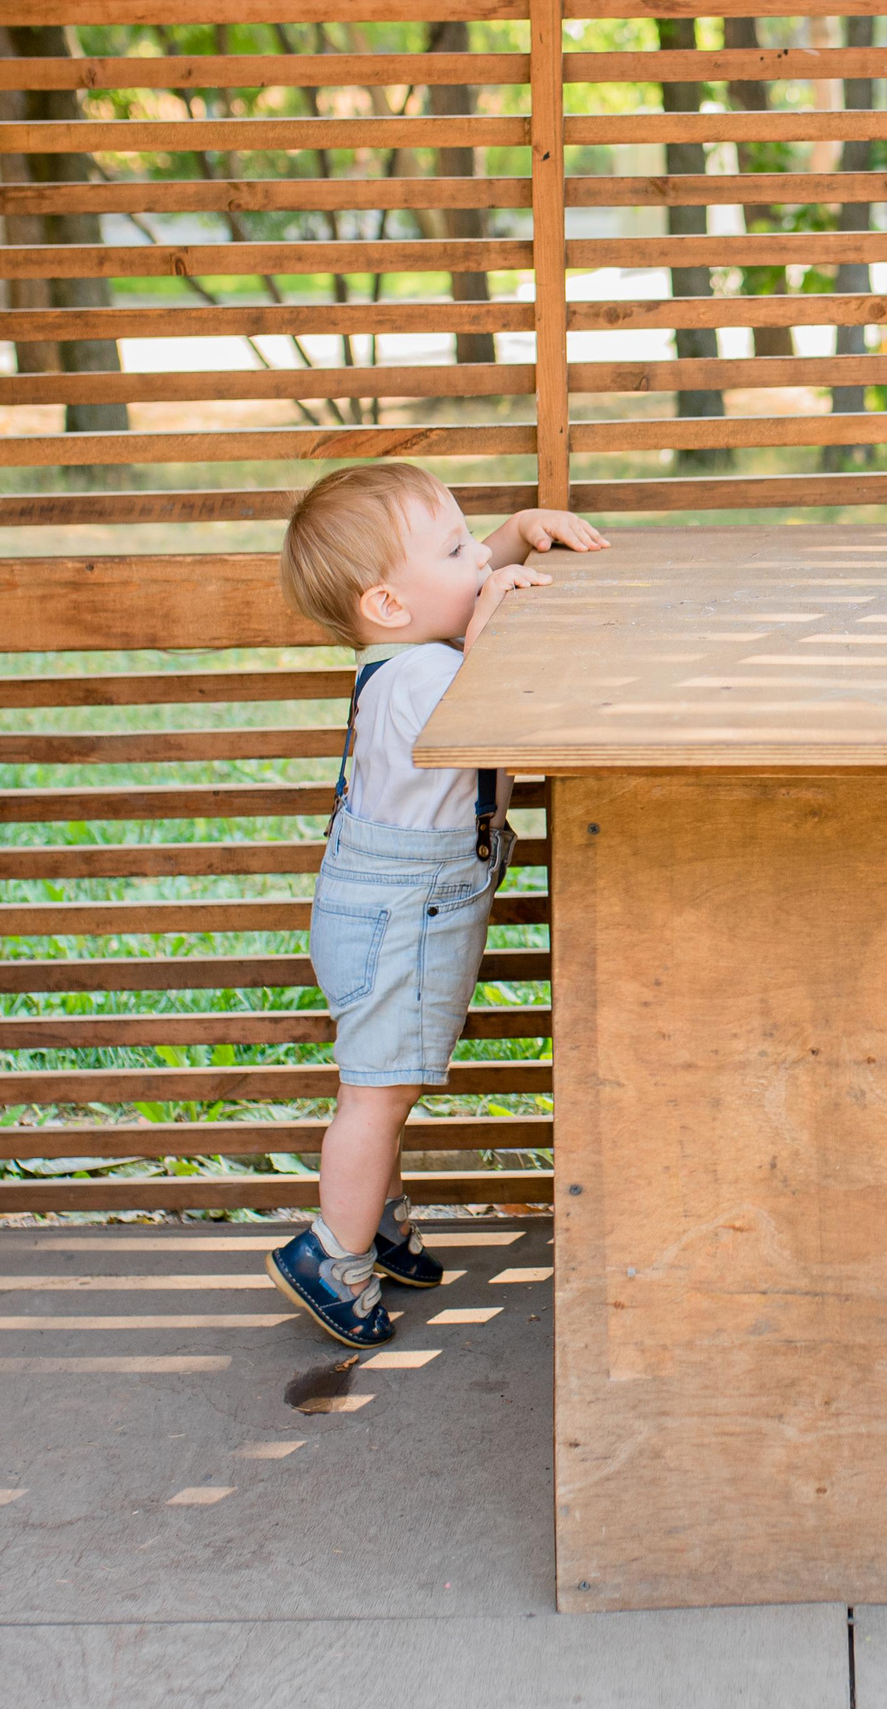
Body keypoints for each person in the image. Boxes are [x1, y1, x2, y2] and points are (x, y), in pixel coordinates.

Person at [266, 462, 609, 1347]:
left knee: (393, 1084)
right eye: (457, 548)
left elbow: (456, 601)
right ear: (387, 603)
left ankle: (371, 1218)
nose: (478, 558)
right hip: (395, 924)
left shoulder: (409, 648)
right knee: (373, 1095)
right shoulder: (416, 682)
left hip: (401, 914)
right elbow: (484, 689)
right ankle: (331, 1253)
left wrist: (513, 535)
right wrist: (499, 600)